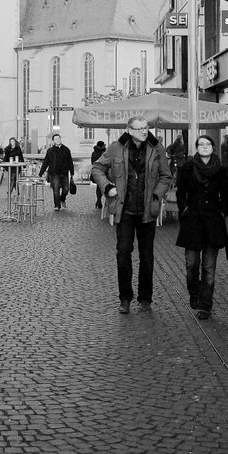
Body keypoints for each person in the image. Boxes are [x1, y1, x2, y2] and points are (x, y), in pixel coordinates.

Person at [91, 117, 171, 314]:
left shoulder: (156, 148)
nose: (144, 131)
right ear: (130, 130)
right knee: (123, 253)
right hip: (124, 209)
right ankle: (125, 297)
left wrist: (155, 195)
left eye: (146, 128)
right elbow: (97, 168)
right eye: (140, 128)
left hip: (147, 210)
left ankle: (145, 298)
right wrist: (107, 186)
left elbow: (166, 175)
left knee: (147, 255)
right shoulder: (116, 148)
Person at [175, 136, 228, 320]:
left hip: (213, 222)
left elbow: (225, 194)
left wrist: (223, 211)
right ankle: (194, 292)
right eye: (201, 144)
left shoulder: (221, 170)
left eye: (208, 144)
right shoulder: (188, 168)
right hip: (192, 221)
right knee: (191, 264)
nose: (204, 147)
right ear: (197, 148)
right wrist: (184, 209)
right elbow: (180, 191)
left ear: (213, 148)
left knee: (209, 267)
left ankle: (205, 305)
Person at [39, 133, 75, 210]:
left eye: (59, 138)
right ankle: (57, 205)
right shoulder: (50, 151)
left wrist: (72, 172)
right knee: (56, 189)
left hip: (64, 172)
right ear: (53, 141)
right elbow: (46, 162)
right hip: (54, 173)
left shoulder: (66, 150)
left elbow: (70, 161)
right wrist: (41, 172)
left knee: (66, 189)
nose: (58, 140)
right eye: (56, 139)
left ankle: (62, 199)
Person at [91, 140, 106, 208]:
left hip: (96, 171)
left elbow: (93, 162)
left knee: (98, 187)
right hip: (103, 171)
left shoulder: (94, 153)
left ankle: (98, 201)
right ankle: (99, 201)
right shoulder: (103, 152)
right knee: (100, 187)